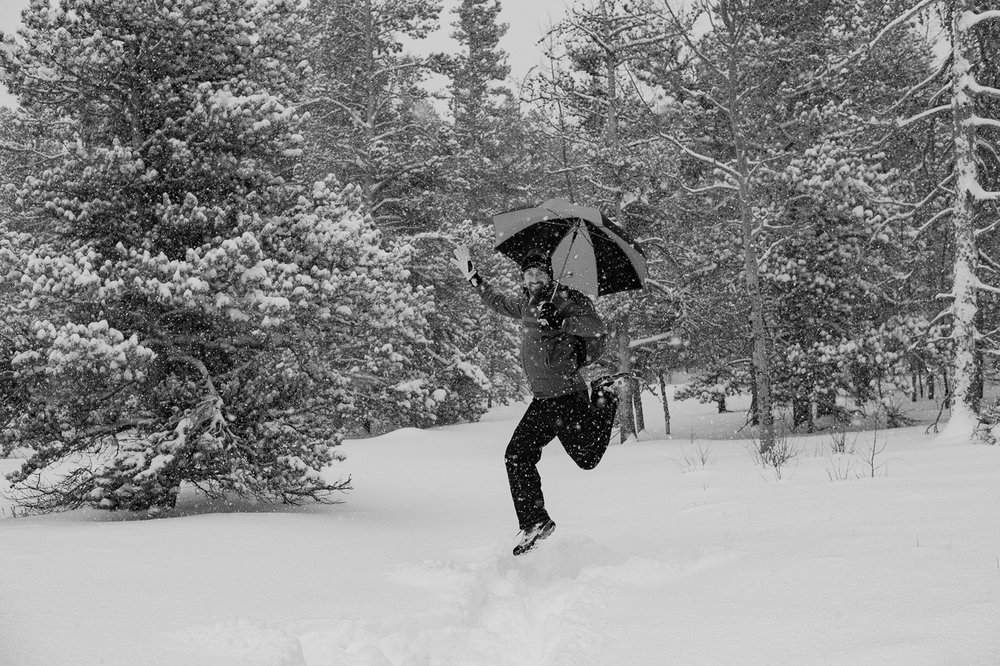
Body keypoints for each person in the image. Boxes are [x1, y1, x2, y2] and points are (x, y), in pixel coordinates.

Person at [451, 245, 620, 556]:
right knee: (516, 456)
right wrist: (474, 278)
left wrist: (561, 321)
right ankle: (535, 522)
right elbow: (497, 301)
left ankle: (604, 401)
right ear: (523, 278)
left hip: (567, 394)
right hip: (543, 398)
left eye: (540, 273)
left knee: (586, 459)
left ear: (548, 275)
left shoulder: (565, 300)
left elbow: (596, 326)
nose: (534, 278)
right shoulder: (526, 305)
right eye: (529, 274)